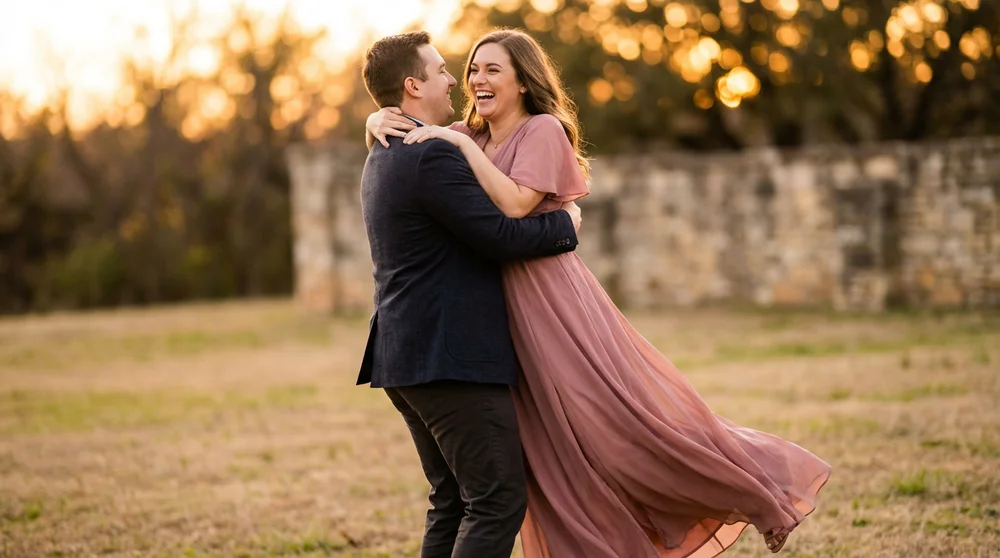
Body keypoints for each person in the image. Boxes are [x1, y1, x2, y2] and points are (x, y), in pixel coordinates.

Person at [365, 29, 831, 557]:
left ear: (523, 80)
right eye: (467, 68)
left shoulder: (524, 132)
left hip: (545, 300)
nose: (469, 78)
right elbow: (462, 189)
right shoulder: (460, 139)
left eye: (490, 69)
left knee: (617, 421)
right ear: (411, 85)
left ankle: (753, 489)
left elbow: (514, 211)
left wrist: (558, 215)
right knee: (537, 461)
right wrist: (377, 116)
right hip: (488, 322)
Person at [357, 31, 584, 558]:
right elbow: (502, 237)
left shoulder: (386, 148)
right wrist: (567, 223)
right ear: (412, 86)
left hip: (406, 354)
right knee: (497, 499)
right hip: (448, 358)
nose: (453, 80)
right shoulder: (429, 155)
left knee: (455, 501)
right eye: (440, 71)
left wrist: (373, 118)